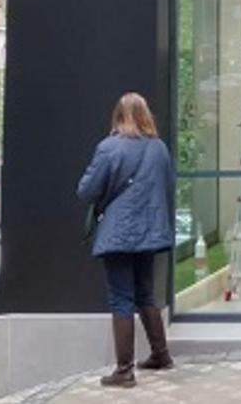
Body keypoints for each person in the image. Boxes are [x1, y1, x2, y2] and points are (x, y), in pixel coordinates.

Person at [77, 92, 176, 388]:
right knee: (145, 292)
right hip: (149, 231)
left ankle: (124, 371)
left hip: (118, 233)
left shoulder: (109, 147)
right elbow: (167, 185)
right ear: (146, 115)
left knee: (121, 297)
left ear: (118, 116)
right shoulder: (159, 148)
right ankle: (161, 354)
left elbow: (86, 191)